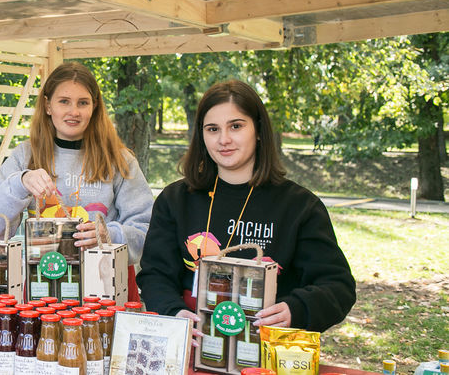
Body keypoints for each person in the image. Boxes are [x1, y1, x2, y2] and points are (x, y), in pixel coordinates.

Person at [136, 80, 355, 332]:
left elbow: (338, 286)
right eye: (212, 129)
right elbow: (155, 275)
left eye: (236, 126)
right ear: (202, 136)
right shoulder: (175, 200)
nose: (224, 139)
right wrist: (173, 312)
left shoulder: (299, 206)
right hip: (193, 341)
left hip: (267, 346)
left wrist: (295, 309)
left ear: (259, 130)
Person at [0, 62, 153, 298]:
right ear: (48, 105)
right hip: (40, 287)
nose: (74, 111)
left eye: (83, 102)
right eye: (64, 101)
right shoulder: (24, 156)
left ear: (94, 107)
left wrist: (108, 235)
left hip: (104, 287)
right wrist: (20, 183)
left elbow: (147, 230)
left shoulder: (120, 160)